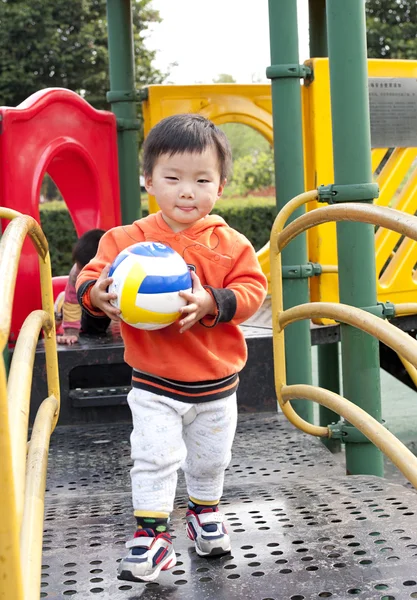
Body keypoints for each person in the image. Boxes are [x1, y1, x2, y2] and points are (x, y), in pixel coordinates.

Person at [76, 114, 268, 583]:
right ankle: (152, 537)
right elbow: (88, 277)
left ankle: (204, 514)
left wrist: (212, 301)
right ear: (148, 181)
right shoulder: (126, 241)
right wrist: (96, 295)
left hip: (217, 385)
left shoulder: (230, 243)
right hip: (154, 382)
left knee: (210, 460)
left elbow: (252, 292)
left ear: (220, 186)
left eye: (202, 180)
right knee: (154, 456)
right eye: (173, 178)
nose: (188, 191)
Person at [55, 228, 110, 344]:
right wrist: (70, 333)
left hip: (105, 300)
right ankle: (61, 304)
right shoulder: (76, 273)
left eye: (85, 270)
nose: (81, 273)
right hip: (84, 302)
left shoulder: (116, 270)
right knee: (90, 328)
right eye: (79, 267)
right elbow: (72, 303)